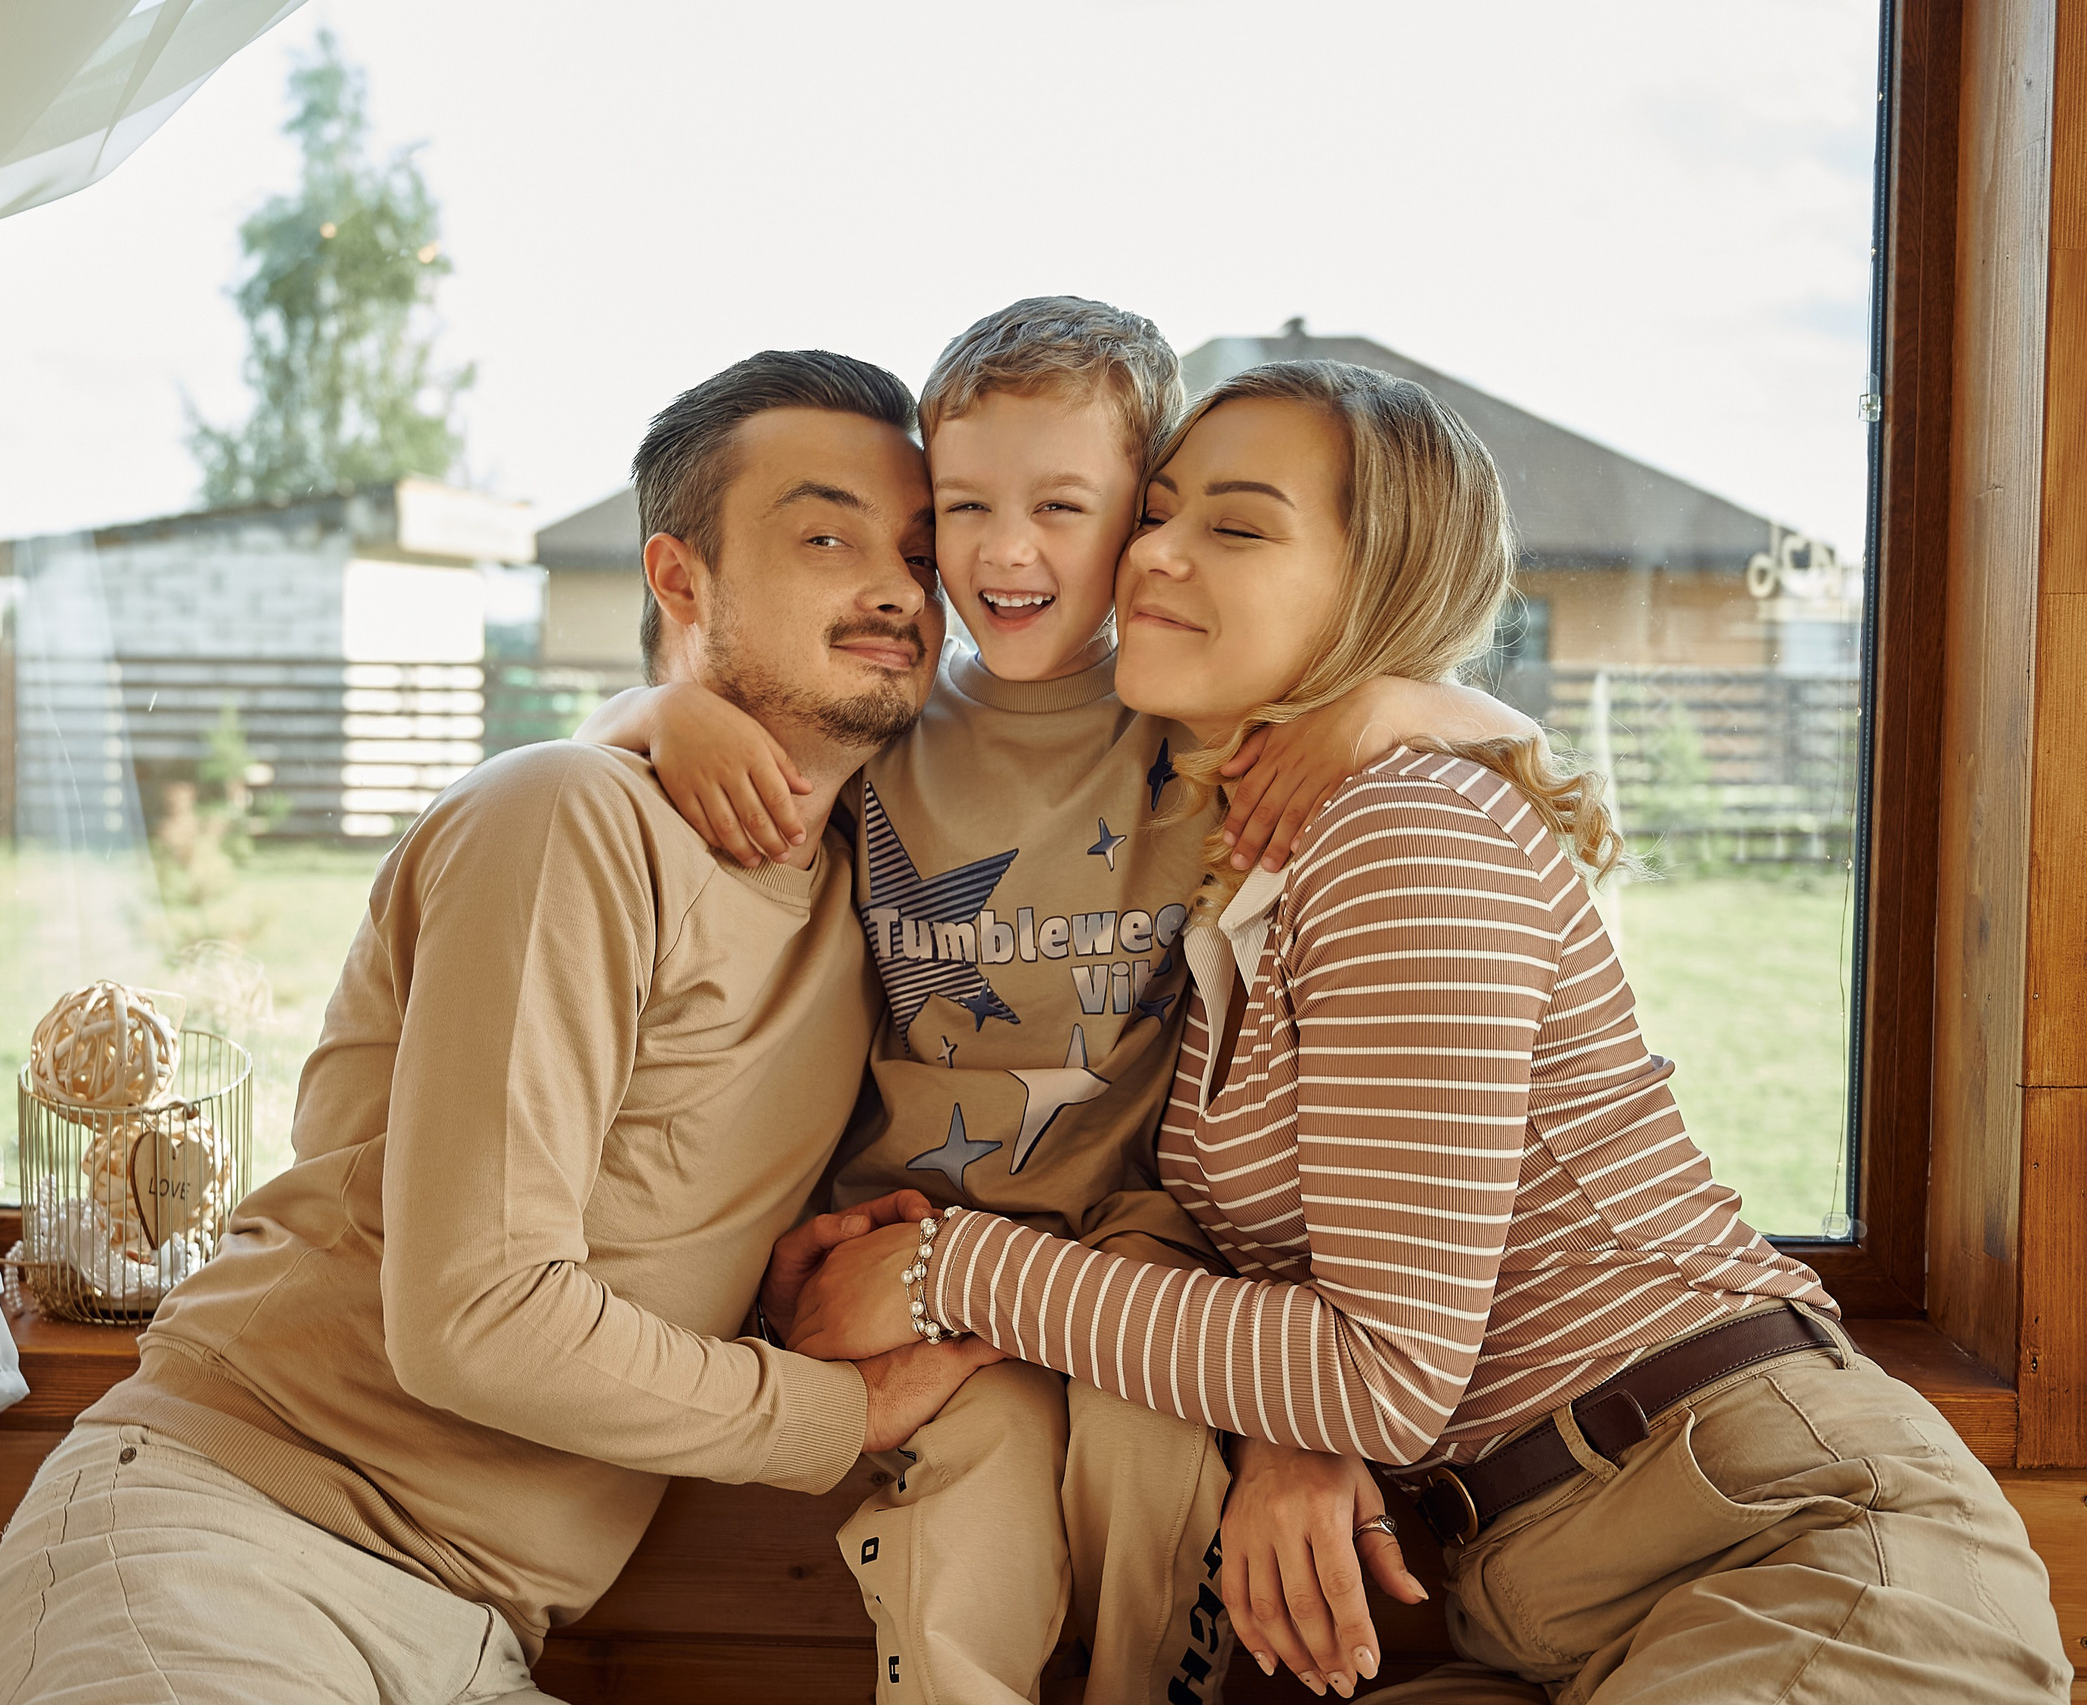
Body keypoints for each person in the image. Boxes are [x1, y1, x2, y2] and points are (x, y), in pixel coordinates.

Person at [793, 359, 2074, 1703]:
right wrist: (1291, 1424)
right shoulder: (1250, 870)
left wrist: (954, 1270)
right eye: (1157, 511)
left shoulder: (1406, 832)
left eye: (1234, 526)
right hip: (1547, 1606)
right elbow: (1362, 1288)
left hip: (1785, 1552)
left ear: (1377, 585)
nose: (1152, 552)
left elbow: (1386, 1374)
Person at [0, 350, 1009, 1705]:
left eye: (923, 551)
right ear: (682, 581)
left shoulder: (874, 883)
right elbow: (474, 1321)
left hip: (479, 1632)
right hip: (234, 1546)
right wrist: (842, 1412)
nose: (893, 584)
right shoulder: (566, 818)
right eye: (826, 535)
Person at [586, 299, 1532, 1704]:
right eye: (964, 505)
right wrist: (666, 710)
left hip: (1139, 1256)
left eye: (1062, 505)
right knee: (970, 1518)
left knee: (1156, 1479)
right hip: (913, 1253)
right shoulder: (893, 717)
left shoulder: (1194, 724)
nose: (1004, 550)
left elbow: (1508, 738)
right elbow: (601, 749)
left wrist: (1371, 705)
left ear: (1138, 521)